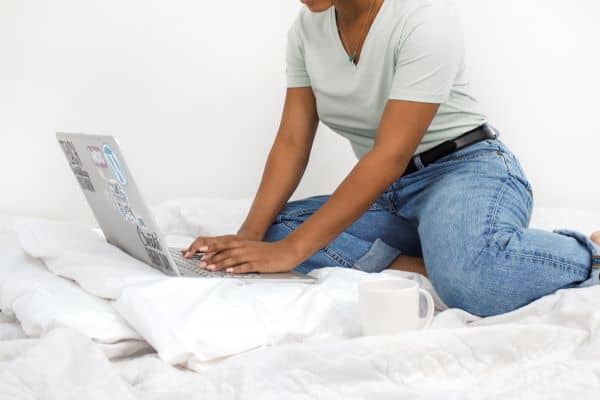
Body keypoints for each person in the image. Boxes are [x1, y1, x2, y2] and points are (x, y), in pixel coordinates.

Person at [184, 0, 600, 317]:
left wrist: (293, 253)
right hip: (390, 189)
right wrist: (250, 235)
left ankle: (587, 252)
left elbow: (390, 154)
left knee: (473, 282)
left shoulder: (422, 20)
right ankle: (432, 262)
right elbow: (293, 140)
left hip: (465, 169)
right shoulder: (305, 30)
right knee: (279, 229)